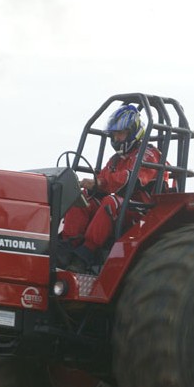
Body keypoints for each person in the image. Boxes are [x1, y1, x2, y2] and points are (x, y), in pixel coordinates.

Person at [60, 104, 164, 272]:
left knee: (111, 201)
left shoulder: (149, 155)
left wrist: (100, 183)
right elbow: (102, 180)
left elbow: (129, 179)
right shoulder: (116, 159)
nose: (116, 139)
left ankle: (85, 254)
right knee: (83, 198)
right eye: (114, 135)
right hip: (124, 208)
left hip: (144, 213)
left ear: (133, 132)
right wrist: (90, 184)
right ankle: (67, 246)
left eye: (120, 134)